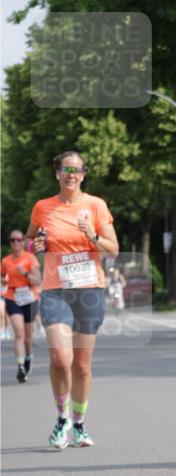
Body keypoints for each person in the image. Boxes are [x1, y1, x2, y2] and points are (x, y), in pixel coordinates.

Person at [26, 150, 119, 450]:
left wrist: (92, 235)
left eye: (76, 170)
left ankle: (79, 424)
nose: (70, 174)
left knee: (81, 365)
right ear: (57, 174)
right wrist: (35, 243)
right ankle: (61, 418)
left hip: (89, 291)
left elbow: (113, 249)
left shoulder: (96, 206)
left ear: (83, 174)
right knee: (60, 359)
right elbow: (31, 241)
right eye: (65, 169)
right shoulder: (43, 207)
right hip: (56, 290)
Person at [1, 230, 41, 381]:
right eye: (12, 240)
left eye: (18, 239)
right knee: (19, 334)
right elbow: (1, 276)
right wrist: (4, 281)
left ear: (23, 242)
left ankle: (28, 356)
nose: (16, 243)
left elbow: (37, 280)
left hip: (30, 298)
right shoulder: (6, 261)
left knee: (28, 337)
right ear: (10, 243)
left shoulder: (30, 258)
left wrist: (25, 273)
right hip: (13, 297)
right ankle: (19, 366)